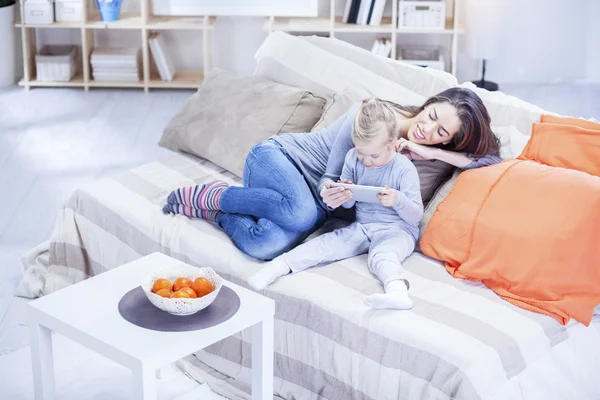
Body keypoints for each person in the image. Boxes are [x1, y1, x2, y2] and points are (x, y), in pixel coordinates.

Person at [162, 87, 501, 260]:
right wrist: (332, 191)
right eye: (432, 116)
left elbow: (488, 161)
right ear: (428, 104)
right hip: (279, 160)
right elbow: (329, 178)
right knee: (304, 212)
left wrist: (431, 152)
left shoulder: (421, 152)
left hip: (301, 203)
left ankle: (215, 212)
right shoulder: (371, 116)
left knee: (264, 246)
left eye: (442, 132)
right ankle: (215, 193)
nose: (428, 130)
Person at [248, 98, 422, 310]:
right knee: (328, 243)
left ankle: (397, 292)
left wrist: (398, 200)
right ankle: (278, 266)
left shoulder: (404, 169)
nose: (366, 161)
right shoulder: (352, 159)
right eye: (361, 153)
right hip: (364, 227)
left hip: (399, 230)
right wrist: (346, 195)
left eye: (374, 155)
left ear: (393, 143)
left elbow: (415, 216)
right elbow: (348, 207)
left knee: (382, 255)